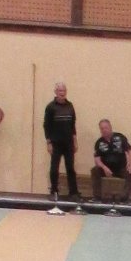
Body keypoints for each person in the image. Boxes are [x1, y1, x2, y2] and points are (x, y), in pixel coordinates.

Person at [42, 80, 77, 209]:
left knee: (70, 168)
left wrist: (75, 141)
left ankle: (73, 193)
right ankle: (54, 191)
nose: (62, 93)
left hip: (68, 142)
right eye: (60, 91)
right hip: (56, 142)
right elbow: (46, 126)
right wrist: (49, 143)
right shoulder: (50, 107)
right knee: (54, 168)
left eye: (64, 90)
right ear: (56, 92)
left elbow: (73, 125)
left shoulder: (70, 106)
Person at [90, 119, 131, 204]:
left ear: (110, 127)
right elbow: (97, 159)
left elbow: (130, 151)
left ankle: (124, 199)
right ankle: (97, 198)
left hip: (120, 168)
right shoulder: (99, 142)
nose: (104, 130)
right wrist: (104, 167)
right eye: (102, 128)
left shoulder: (120, 137)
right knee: (95, 170)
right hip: (106, 169)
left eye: (106, 128)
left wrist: (130, 165)